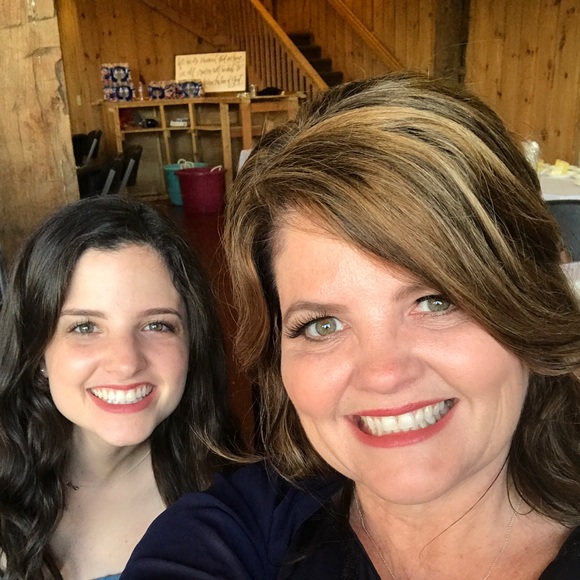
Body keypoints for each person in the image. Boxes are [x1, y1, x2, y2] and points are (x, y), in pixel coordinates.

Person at [121, 72, 580, 579]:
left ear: (530, 301)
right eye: (322, 325)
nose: (383, 374)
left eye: (436, 301)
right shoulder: (231, 535)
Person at [0, 195, 240, 579]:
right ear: (37, 351)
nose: (126, 362)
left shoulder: (237, 504)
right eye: (85, 327)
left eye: (157, 325)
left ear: (192, 342)